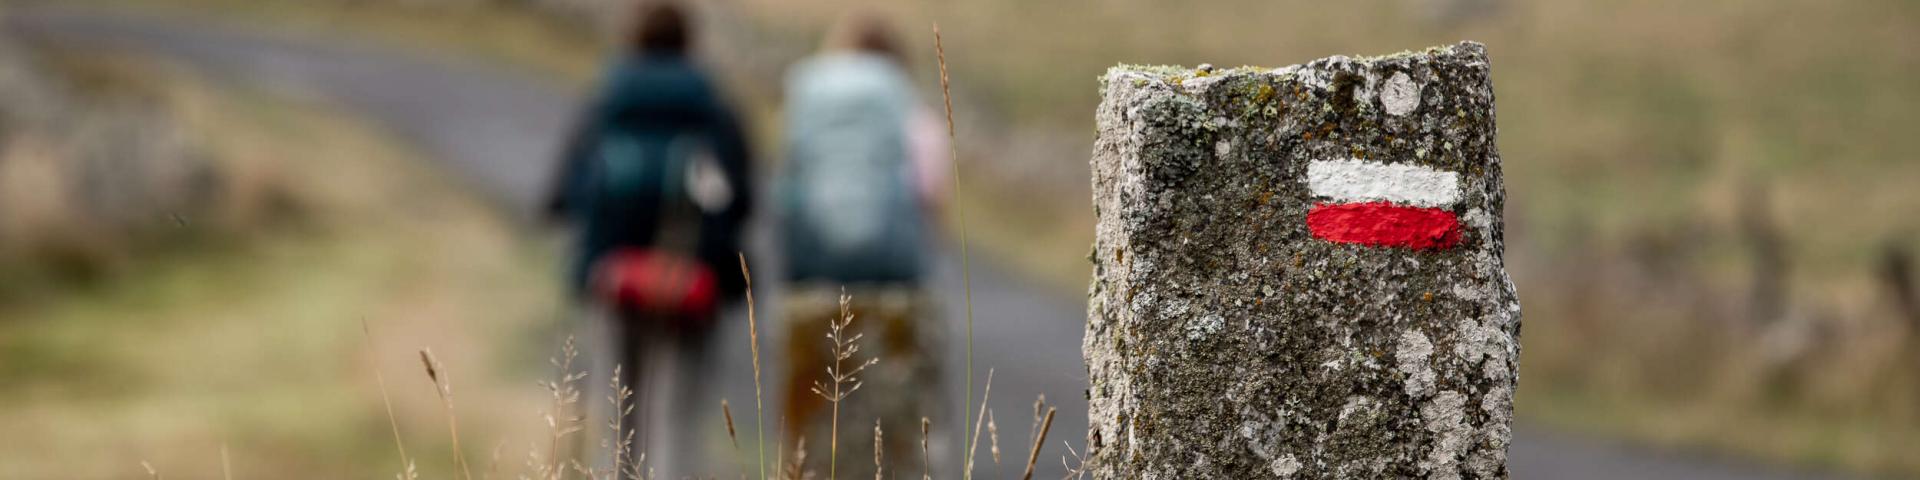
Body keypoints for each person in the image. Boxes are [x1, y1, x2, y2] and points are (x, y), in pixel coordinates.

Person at [543, 2, 752, 477]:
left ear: (632, 39)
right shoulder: (714, 108)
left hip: (616, 283)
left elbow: (564, 194)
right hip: (691, 288)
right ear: (688, 43)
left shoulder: (607, 102)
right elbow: (741, 200)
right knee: (676, 422)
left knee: (619, 418)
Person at [776, 11, 951, 478]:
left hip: (815, 265)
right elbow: (931, 188)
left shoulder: (809, 93)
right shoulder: (905, 104)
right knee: (897, 406)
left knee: (818, 415)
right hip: (894, 271)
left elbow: (791, 174)